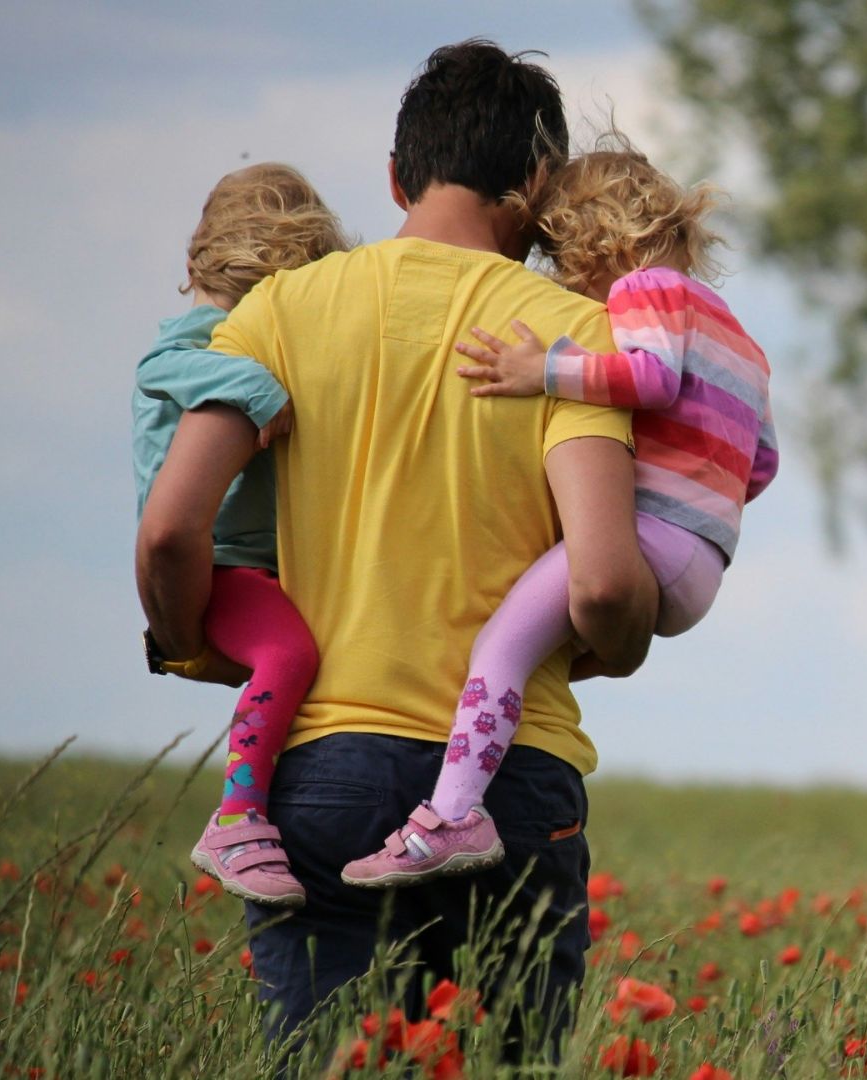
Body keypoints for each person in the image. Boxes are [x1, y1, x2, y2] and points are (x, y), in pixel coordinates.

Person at [135, 39, 657, 1038]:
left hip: (322, 767)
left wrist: (195, 641)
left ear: (394, 176)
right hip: (510, 779)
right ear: (538, 184)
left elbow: (168, 530)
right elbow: (600, 584)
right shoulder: (569, 336)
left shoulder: (276, 313)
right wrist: (620, 645)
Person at [342, 142, 779, 887]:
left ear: (596, 241)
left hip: (650, 538)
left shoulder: (646, 291)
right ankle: (475, 778)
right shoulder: (740, 337)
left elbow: (649, 377)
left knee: (500, 649)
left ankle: (452, 815)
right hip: (704, 560)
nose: (565, 280)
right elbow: (761, 463)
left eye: (562, 257)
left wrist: (540, 370)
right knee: (539, 649)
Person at [132, 163, 349, 907]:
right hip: (221, 564)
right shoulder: (202, 337)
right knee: (289, 652)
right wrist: (258, 388)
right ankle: (238, 816)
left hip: (257, 566)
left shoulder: (235, 331)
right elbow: (162, 365)